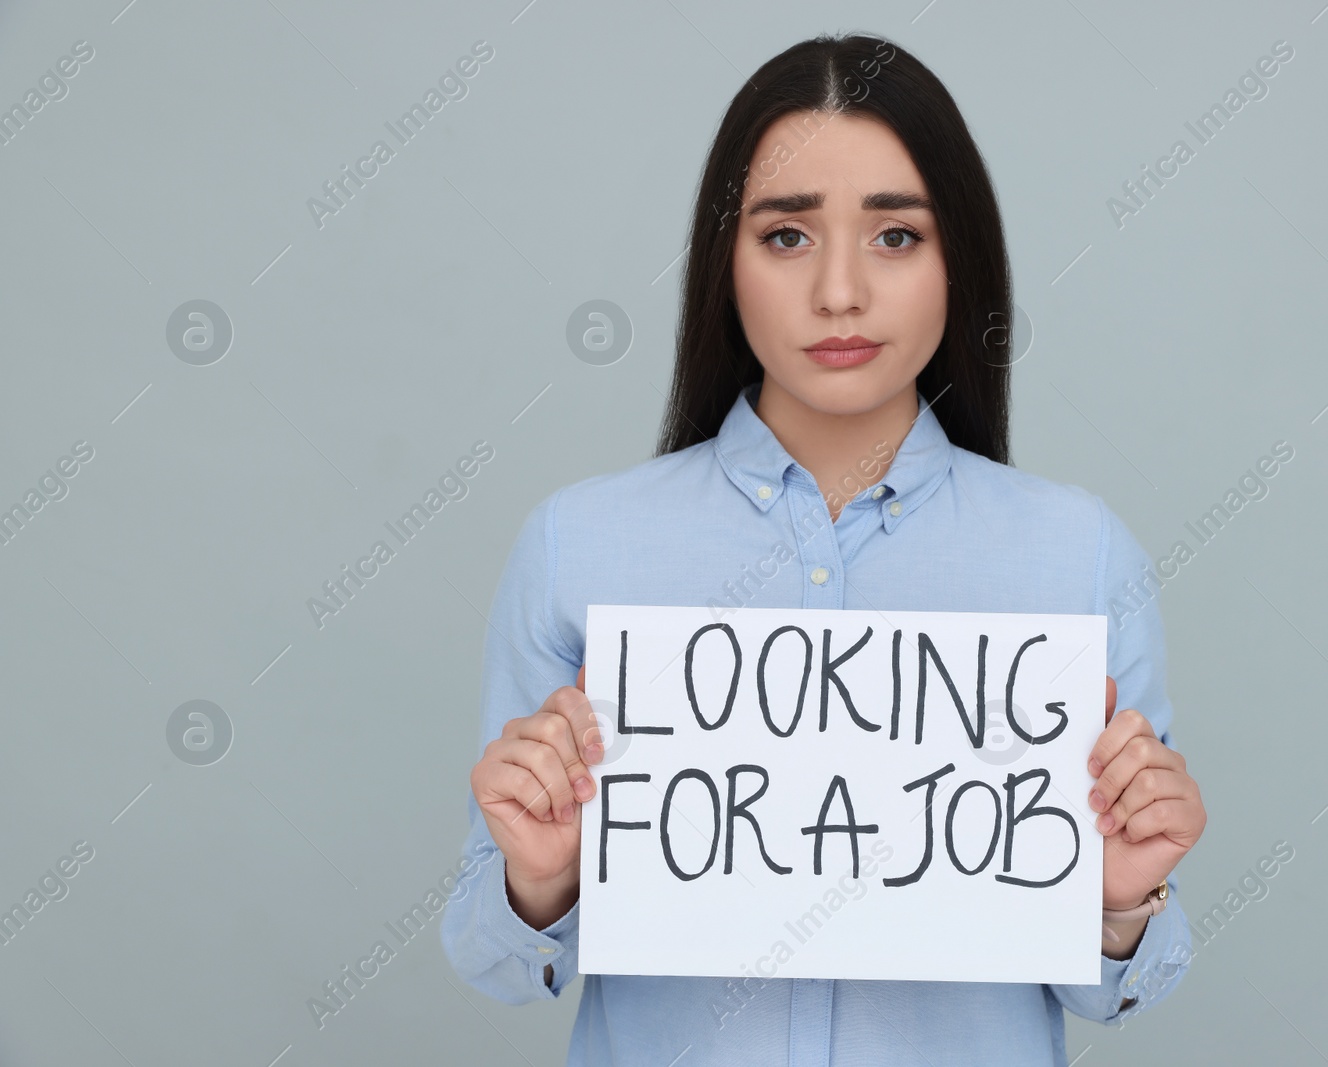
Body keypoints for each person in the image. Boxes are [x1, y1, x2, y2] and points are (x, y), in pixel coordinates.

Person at [442, 31, 1206, 1066]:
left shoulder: (1077, 556)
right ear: (725, 260)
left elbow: (1111, 984)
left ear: (958, 259)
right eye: (787, 236)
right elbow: (496, 960)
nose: (839, 292)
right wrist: (540, 876)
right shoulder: (579, 545)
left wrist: (1118, 898)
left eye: (895, 236)